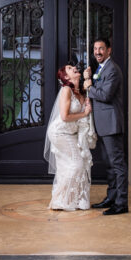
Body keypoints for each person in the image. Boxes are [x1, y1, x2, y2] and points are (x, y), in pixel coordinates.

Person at [83, 37, 128, 215]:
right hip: (103, 125)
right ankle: (111, 197)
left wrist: (89, 86)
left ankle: (122, 203)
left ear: (109, 50)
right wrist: (89, 78)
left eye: (101, 49)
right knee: (110, 165)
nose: (97, 52)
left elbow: (106, 95)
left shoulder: (113, 70)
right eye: (95, 49)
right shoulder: (101, 68)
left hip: (111, 125)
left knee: (118, 165)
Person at [44, 63, 96, 211]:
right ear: (66, 77)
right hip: (59, 132)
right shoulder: (66, 90)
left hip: (70, 133)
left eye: (73, 66)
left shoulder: (81, 93)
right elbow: (65, 116)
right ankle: (61, 200)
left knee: (73, 165)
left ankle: (74, 200)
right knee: (77, 163)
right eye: (69, 68)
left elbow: (82, 117)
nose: (74, 67)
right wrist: (84, 113)